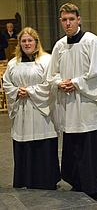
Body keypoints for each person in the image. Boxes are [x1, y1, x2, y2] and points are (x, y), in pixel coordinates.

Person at [46, 2, 97, 202]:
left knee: (90, 149)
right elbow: (51, 74)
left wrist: (74, 83)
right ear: (60, 21)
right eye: (64, 20)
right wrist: (59, 83)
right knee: (73, 147)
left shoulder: (91, 41)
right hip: (69, 105)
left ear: (79, 19)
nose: (68, 23)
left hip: (88, 106)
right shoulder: (60, 45)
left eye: (71, 19)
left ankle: (94, 188)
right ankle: (77, 182)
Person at [2, 27, 60, 190]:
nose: (27, 43)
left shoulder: (46, 61)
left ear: (36, 42)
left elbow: (50, 83)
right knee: (23, 141)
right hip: (21, 109)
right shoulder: (13, 63)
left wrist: (30, 91)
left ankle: (46, 179)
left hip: (41, 111)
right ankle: (25, 178)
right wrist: (15, 91)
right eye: (23, 41)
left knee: (43, 143)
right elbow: (7, 83)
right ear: (19, 44)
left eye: (30, 40)